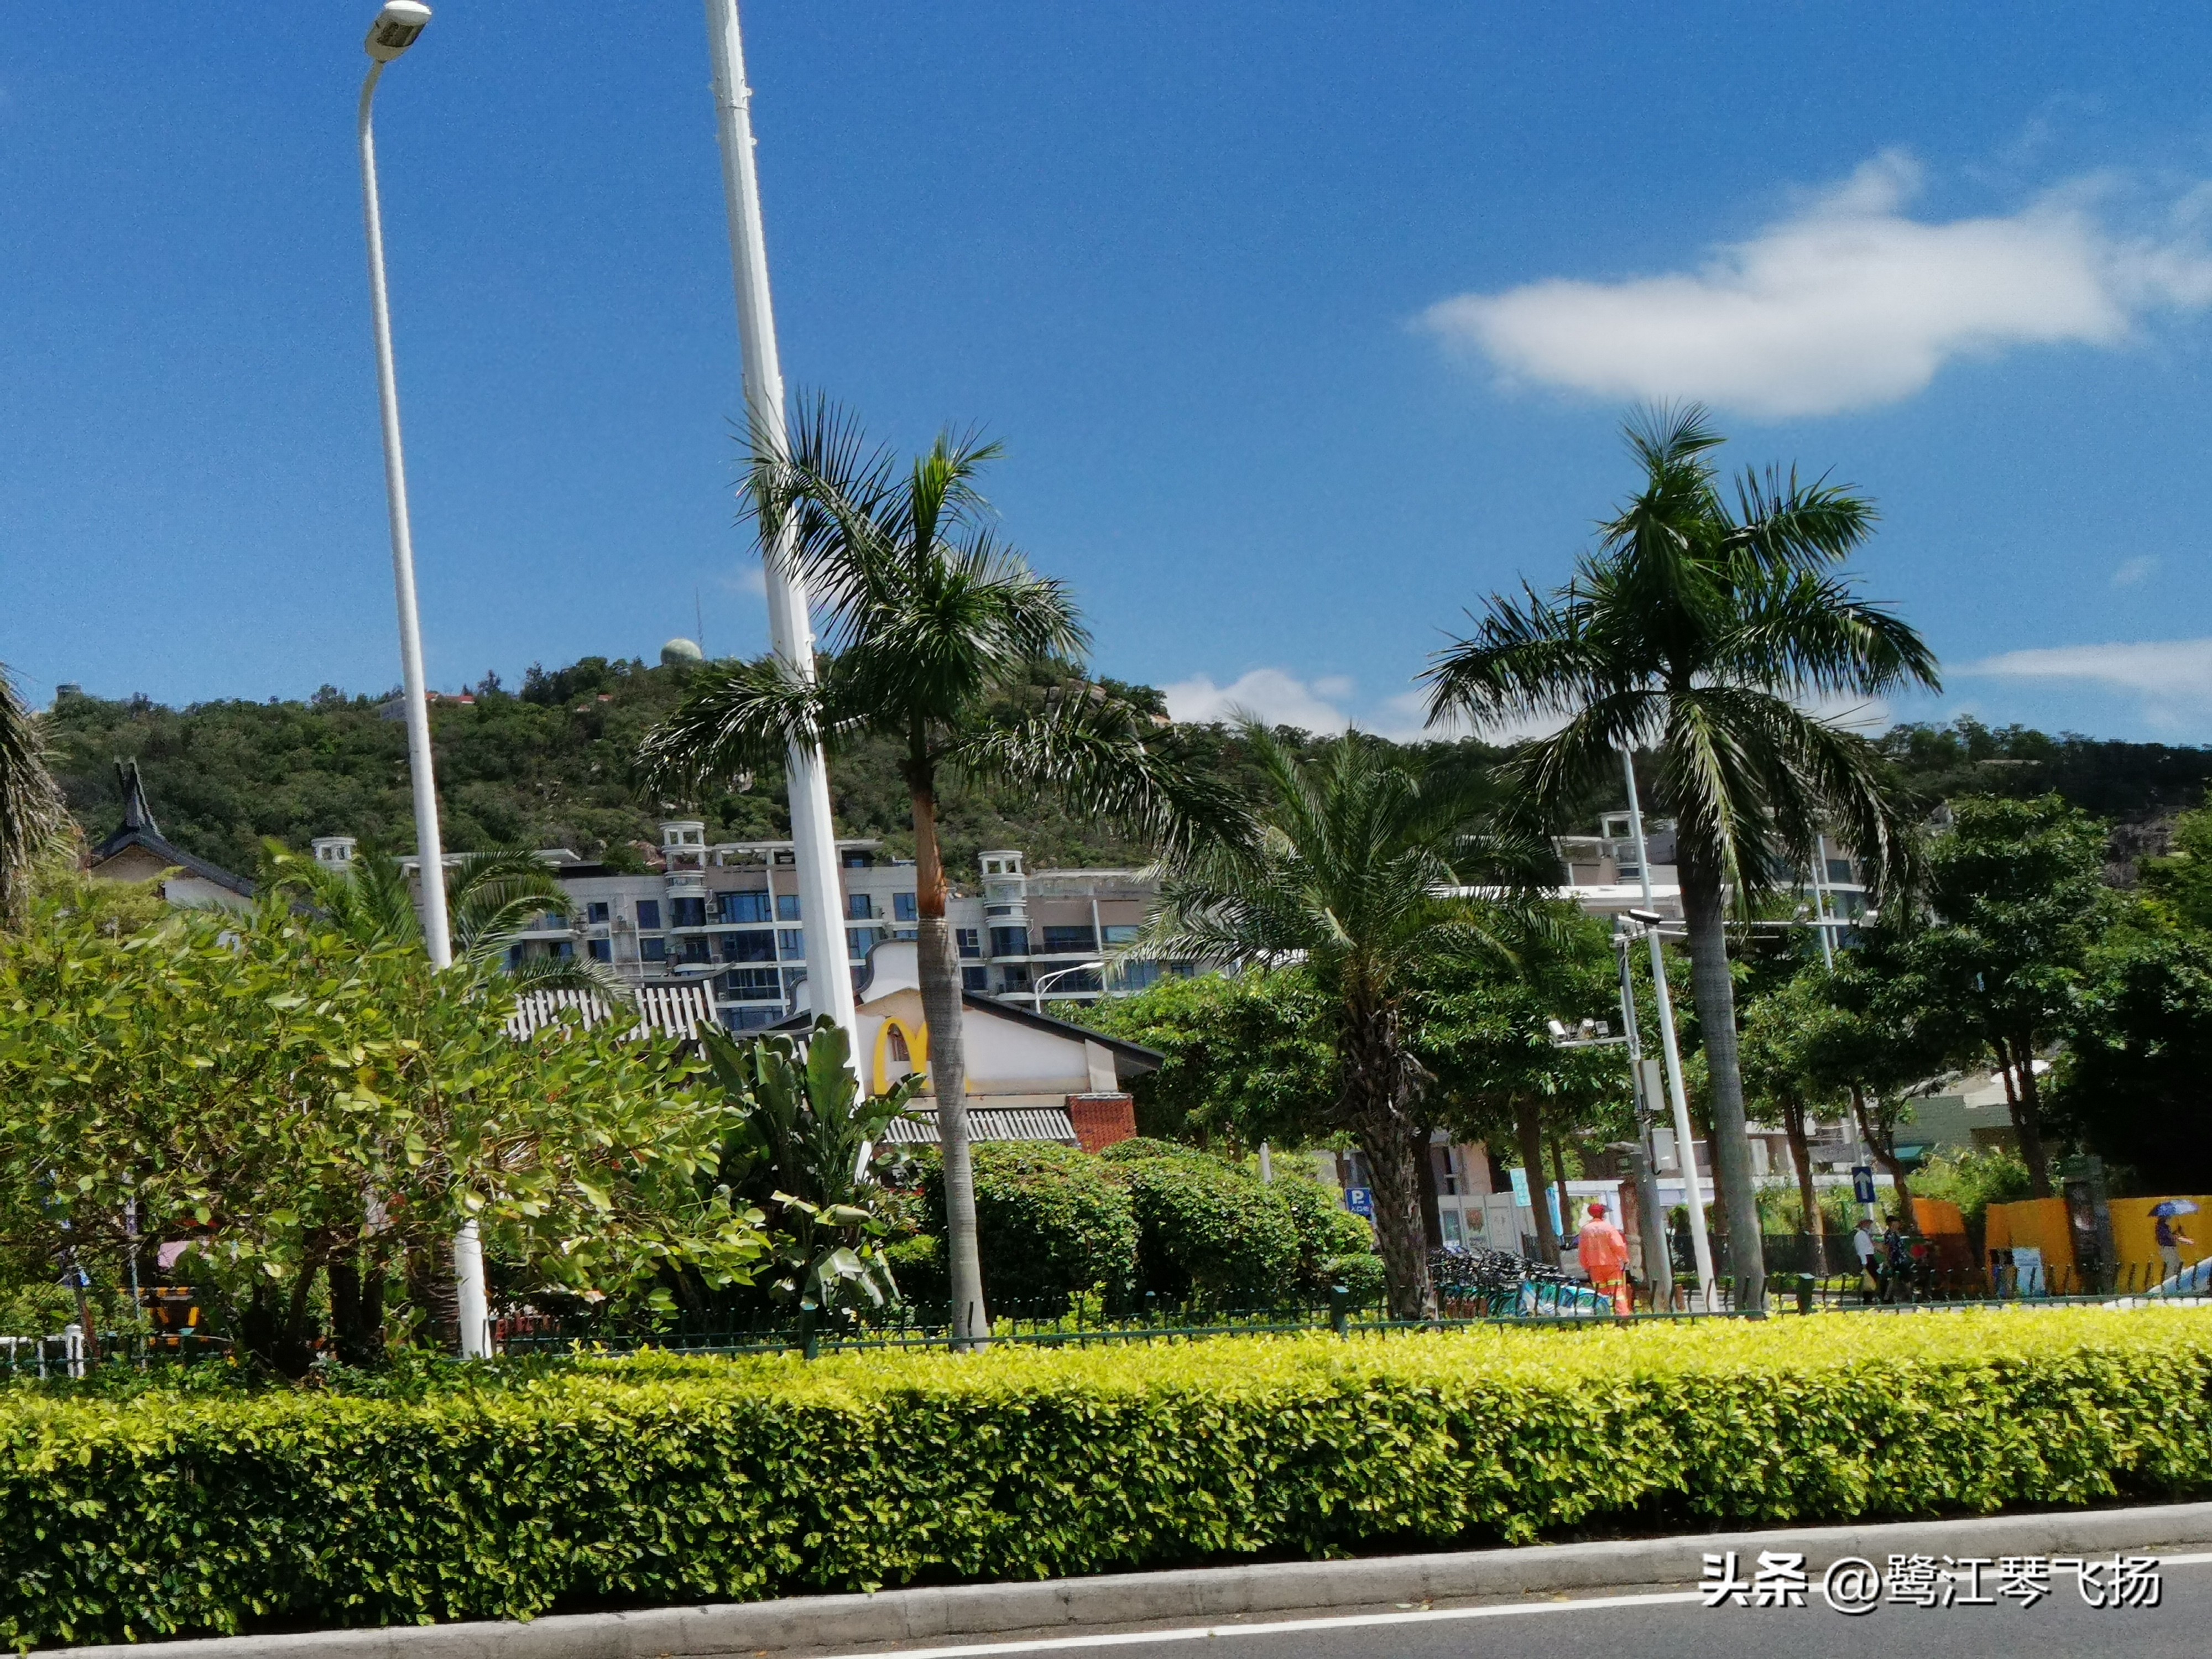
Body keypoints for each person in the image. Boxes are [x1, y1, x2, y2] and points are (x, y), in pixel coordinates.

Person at [1577, 1201, 1633, 1316]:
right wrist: (1625, 1258)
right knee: (1618, 1292)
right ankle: (1623, 1316)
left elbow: (1582, 1251)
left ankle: (1605, 1315)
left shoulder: (1585, 1230)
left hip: (1594, 1267)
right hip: (1611, 1266)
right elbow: (1618, 1245)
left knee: (1601, 1294)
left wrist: (1586, 1266)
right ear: (1603, 1214)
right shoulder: (1609, 1228)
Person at [2156, 1211, 2195, 1284]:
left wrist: (2181, 1233)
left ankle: (2180, 1282)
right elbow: (2172, 1237)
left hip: (2172, 1249)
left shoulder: (2167, 1227)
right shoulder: (2161, 1227)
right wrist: (2186, 1240)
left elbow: (2174, 1236)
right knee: (2171, 1267)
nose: (2170, 1217)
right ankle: (2168, 1284)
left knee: (2179, 1264)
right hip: (2168, 1249)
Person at [1851, 1217, 1882, 1304]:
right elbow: (1861, 1249)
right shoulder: (1859, 1235)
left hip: (1870, 1257)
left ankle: (1872, 1297)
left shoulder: (1866, 1234)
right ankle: (1868, 1299)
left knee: (1874, 1277)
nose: (1868, 1225)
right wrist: (1864, 1262)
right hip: (1866, 1258)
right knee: (1868, 1278)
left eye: (1869, 1223)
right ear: (1862, 1224)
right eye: (1867, 1223)